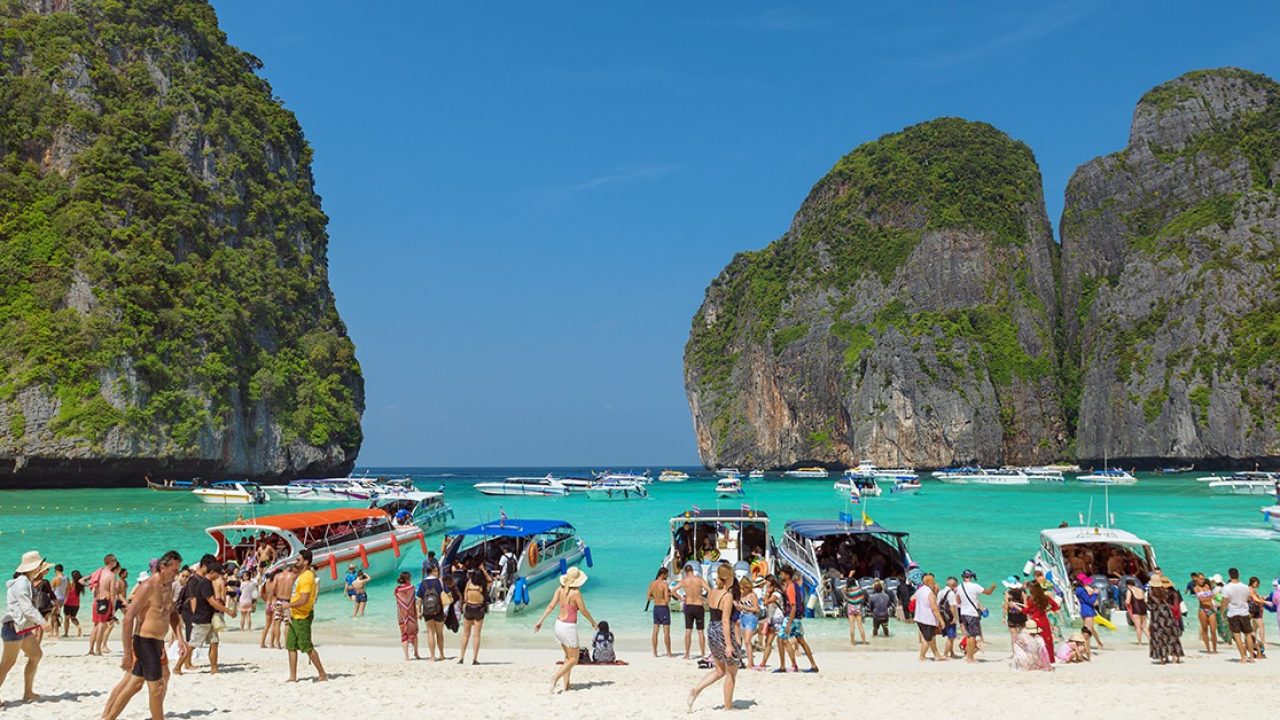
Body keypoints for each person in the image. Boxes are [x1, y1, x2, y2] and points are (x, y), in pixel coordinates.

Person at [101, 550, 184, 720]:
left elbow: (173, 613)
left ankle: (107, 718)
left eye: (178, 570)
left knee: (135, 684)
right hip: (144, 641)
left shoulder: (168, 586)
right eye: (174, 570)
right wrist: (126, 654)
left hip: (158, 642)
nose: (177, 574)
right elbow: (128, 619)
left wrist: (180, 638)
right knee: (157, 688)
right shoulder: (147, 586)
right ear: (163, 567)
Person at [687, 564, 741, 712]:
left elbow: (713, 609)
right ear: (729, 578)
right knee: (731, 672)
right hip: (723, 631)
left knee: (719, 670)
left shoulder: (712, 592)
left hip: (711, 629)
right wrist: (729, 645)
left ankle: (696, 689)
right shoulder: (727, 595)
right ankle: (728, 706)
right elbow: (725, 621)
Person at [534, 567, 597, 693]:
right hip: (568, 627)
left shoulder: (560, 589)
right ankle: (555, 678)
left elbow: (551, 606)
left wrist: (540, 621)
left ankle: (566, 685)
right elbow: (583, 610)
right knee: (574, 659)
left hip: (558, 624)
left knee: (567, 657)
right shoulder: (576, 593)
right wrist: (593, 622)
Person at [1, 551, 49, 706]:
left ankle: (28, 692)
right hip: (13, 627)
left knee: (36, 655)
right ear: (34, 567)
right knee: (7, 663)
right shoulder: (22, 583)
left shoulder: (27, 581)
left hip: (22, 628)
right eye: (39, 564)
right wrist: (42, 622)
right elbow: (26, 607)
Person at [176, 560, 231, 675]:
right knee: (192, 645)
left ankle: (214, 669)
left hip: (208, 618)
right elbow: (211, 601)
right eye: (218, 573)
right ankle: (177, 667)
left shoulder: (207, 582)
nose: (219, 576)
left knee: (214, 642)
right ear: (212, 572)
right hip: (202, 619)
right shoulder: (205, 583)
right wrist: (227, 611)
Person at [285, 550, 327, 682]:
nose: (296, 562)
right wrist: (288, 608)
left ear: (306, 562)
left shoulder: (307, 577)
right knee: (290, 645)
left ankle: (322, 674)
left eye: (298, 560)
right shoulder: (300, 575)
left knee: (306, 646)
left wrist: (287, 606)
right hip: (294, 614)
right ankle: (293, 676)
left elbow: (304, 599)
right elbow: (295, 595)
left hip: (303, 615)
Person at [778, 566, 818, 672]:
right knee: (802, 641)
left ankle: (784, 666)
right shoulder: (795, 585)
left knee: (781, 639)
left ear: (787, 575)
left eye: (782, 574)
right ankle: (813, 665)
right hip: (798, 618)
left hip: (791, 617)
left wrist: (788, 623)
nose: (780, 576)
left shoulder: (790, 587)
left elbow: (793, 606)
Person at [957, 570, 995, 662]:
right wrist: (993, 587)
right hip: (972, 613)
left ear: (963, 577)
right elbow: (988, 592)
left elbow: (958, 601)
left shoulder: (959, 587)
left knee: (969, 635)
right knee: (972, 636)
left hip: (963, 613)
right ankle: (970, 657)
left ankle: (969, 656)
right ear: (971, 577)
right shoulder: (975, 586)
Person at [1221, 568, 1255, 663]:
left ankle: (1243, 657)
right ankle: (1251, 657)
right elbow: (1248, 598)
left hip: (1233, 613)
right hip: (1244, 612)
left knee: (1237, 636)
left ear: (1229, 575)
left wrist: (1222, 611)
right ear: (1238, 574)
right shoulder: (1245, 587)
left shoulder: (1227, 588)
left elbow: (1225, 601)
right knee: (1248, 634)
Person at [1147, 575, 1184, 664]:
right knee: (1171, 636)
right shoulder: (1166, 591)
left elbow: (1149, 606)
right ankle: (1175, 657)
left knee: (1159, 637)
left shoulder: (1151, 592)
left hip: (1157, 616)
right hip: (1168, 615)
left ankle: (1163, 659)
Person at [88, 554, 119, 656]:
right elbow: (112, 593)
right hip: (104, 601)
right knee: (102, 625)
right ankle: (98, 650)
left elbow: (90, 584)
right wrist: (113, 608)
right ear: (111, 562)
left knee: (96, 625)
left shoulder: (98, 572)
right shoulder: (111, 575)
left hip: (96, 601)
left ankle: (91, 649)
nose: (116, 562)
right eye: (114, 560)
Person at [457, 568, 488, 665]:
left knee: (466, 634)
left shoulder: (469, 584)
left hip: (469, 607)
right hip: (478, 608)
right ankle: (474, 659)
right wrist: (484, 572)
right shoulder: (483, 586)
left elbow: (465, 598)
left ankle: (461, 657)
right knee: (476, 635)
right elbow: (490, 580)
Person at [416, 564, 447, 661]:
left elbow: (419, 600)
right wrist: (446, 610)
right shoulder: (440, 582)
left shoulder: (423, 583)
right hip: (439, 610)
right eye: (436, 571)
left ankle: (432, 656)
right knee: (439, 633)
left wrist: (419, 612)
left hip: (427, 611)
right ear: (432, 571)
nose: (438, 573)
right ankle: (441, 655)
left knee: (430, 632)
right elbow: (447, 596)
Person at [912, 573, 944, 661]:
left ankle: (936, 654)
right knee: (927, 639)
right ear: (930, 582)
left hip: (919, 617)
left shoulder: (920, 590)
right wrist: (941, 621)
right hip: (927, 619)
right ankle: (922, 656)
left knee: (931, 637)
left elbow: (912, 599)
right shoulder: (930, 593)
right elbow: (934, 608)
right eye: (934, 581)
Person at [1024, 581, 1060, 663]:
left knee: (1035, 640)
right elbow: (1056, 606)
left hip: (1035, 620)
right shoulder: (1046, 597)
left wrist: (1016, 606)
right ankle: (1050, 659)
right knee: (1047, 640)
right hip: (1044, 619)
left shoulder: (1031, 599)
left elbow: (1026, 611)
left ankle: (1037, 659)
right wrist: (1047, 609)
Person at [679, 563, 707, 660]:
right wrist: (704, 599)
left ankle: (687, 654)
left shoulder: (684, 581)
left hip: (689, 606)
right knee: (700, 631)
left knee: (688, 631)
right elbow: (709, 590)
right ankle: (703, 654)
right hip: (699, 606)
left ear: (686, 572)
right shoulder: (699, 580)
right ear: (692, 571)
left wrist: (681, 599)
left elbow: (673, 590)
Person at [757, 575, 785, 671]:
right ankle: (763, 663)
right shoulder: (772, 592)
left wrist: (767, 594)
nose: (765, 584)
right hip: (771, 618)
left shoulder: (776, 593)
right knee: (768, 642)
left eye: (767, 582)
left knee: (783, 641)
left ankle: (789, 664)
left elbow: (766, 602)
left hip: (778, 618)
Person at [646, 567, 673, 657]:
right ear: (663, 574)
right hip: (663, 608)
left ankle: (655, 652)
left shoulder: (652, 584)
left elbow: (648, 597)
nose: (667, 576)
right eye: (667, 574)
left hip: (656, 608)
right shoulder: (664, 585)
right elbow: (666, 600)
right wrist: (669, 596)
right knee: (666, 633)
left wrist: (656, 598)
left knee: (655, 631)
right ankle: (669, 653)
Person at [1073, 574, 1104, 652]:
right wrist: (1095, 594)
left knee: (1090, 629)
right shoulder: (1081, 590)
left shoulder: (1079, 589)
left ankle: (1099, 643)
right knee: (1088, 631)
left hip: (1084, 610)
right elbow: (1090, 601)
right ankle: (1087, 649)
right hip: (1088, 610)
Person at [393, 572, 419, 661]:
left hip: (401, 614)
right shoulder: (412, 588)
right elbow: (413, 600)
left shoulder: (397, 589)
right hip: (411, 614)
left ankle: (406, 656)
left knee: (404, 634)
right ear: (408, 579)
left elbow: (397, 599)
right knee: (414, 633)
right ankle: (416, 652)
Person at [735, 577, 760, 667]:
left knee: (747, 641)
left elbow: (756, 609)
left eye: (744, 587)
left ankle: (750, 663)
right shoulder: (741, 595)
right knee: (742, 641)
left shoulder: (752, 595)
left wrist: (743, 607)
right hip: (742, 617)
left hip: (751, 617)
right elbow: (740, 607)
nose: (743, 589)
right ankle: (746, 662)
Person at [1002, 577, 1027, 655]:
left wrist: (1003, 617)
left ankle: (1015, 654)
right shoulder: (1022, 592)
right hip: (1022, 614)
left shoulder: (1007, 593)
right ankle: (1023, 652)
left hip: (1012, 615)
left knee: (1013, 637)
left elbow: (1006, 607)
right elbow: (1026, 605)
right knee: (1023, 635)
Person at [937, 577, 960, 659]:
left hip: (943, 616)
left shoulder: (940, 592)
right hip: (949, 617)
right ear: (953, 585)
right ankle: (945, 654)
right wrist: (954, 617)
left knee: (950, 636)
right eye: (956, 585)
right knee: (951, 637)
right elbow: (952, 606)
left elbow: (938, 605)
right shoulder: (951, 594)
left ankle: (952, 653)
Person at [844, 573, 867, 647]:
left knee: (852, 626)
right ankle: (863, 642)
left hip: (851, 607)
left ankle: (853, 642)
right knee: (860, 625)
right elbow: (862, 598)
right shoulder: (859, 589)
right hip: (858, 607)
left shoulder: (847, 590)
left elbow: (844, 596)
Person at [1247, 576, 1267, 656]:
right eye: (1255, 583)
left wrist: (1262, 599)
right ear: (1252, 582)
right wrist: (1266, 602)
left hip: (1254, 610)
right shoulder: (1250, 589)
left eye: (1257, 583)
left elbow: (1255, 599)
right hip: (1253, 610)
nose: (1257, 584)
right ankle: (1262, 642)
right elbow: (1255, 599)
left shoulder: (1252, 590)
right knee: (1260, 626)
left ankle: (1256, 643)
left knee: (1255, 627)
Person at [1124, 578, 1148, 645]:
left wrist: (1125, 602)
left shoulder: (1129, 590)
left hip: (1136, 609)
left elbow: (1128, 601)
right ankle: (1151, 641)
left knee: (1138, 627)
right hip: (1143, 608)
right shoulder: (1141, 590)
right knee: (1144, 626)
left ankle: (1140, 642)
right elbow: (1145, 601)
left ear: (1128, 585)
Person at [63, 569, 83, 638]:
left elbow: (66, 592)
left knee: (66, 619)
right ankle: (79, 627)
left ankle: (66, 633)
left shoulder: (70, 583)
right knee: (73, 618)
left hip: (68, 603)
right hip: (76, 604)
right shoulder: (80, 584)